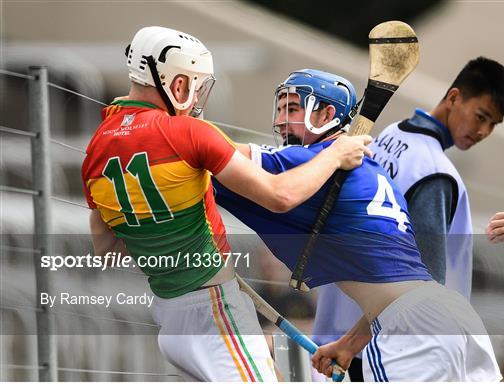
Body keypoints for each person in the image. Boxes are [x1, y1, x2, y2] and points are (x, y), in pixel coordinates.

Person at [81, 27, 368, 382]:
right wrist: (336, 154)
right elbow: (280, 196)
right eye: (197, 85)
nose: (197, 95)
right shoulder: (188, 132)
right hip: (212, 311)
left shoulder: (97, 146)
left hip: (170, 318)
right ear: (179, 84)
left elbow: (106, 248)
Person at [214, 68, 501, 381]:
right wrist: (350, 345)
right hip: (450, 316)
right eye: (281, 108)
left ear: (327, 114)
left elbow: (216, 152)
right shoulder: (374, 170)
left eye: (293, 108)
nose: (282, 119)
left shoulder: (312, 160)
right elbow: (395, 288)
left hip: (410, 331)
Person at [312, 57, 504, 378]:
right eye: (481, 116)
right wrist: (353, 343)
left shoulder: (389, 137)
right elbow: (418, 290)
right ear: (454, 97)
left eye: (493, 124)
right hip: (394, 353)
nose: (483, 131)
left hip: (347, 340)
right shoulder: (435, 173)